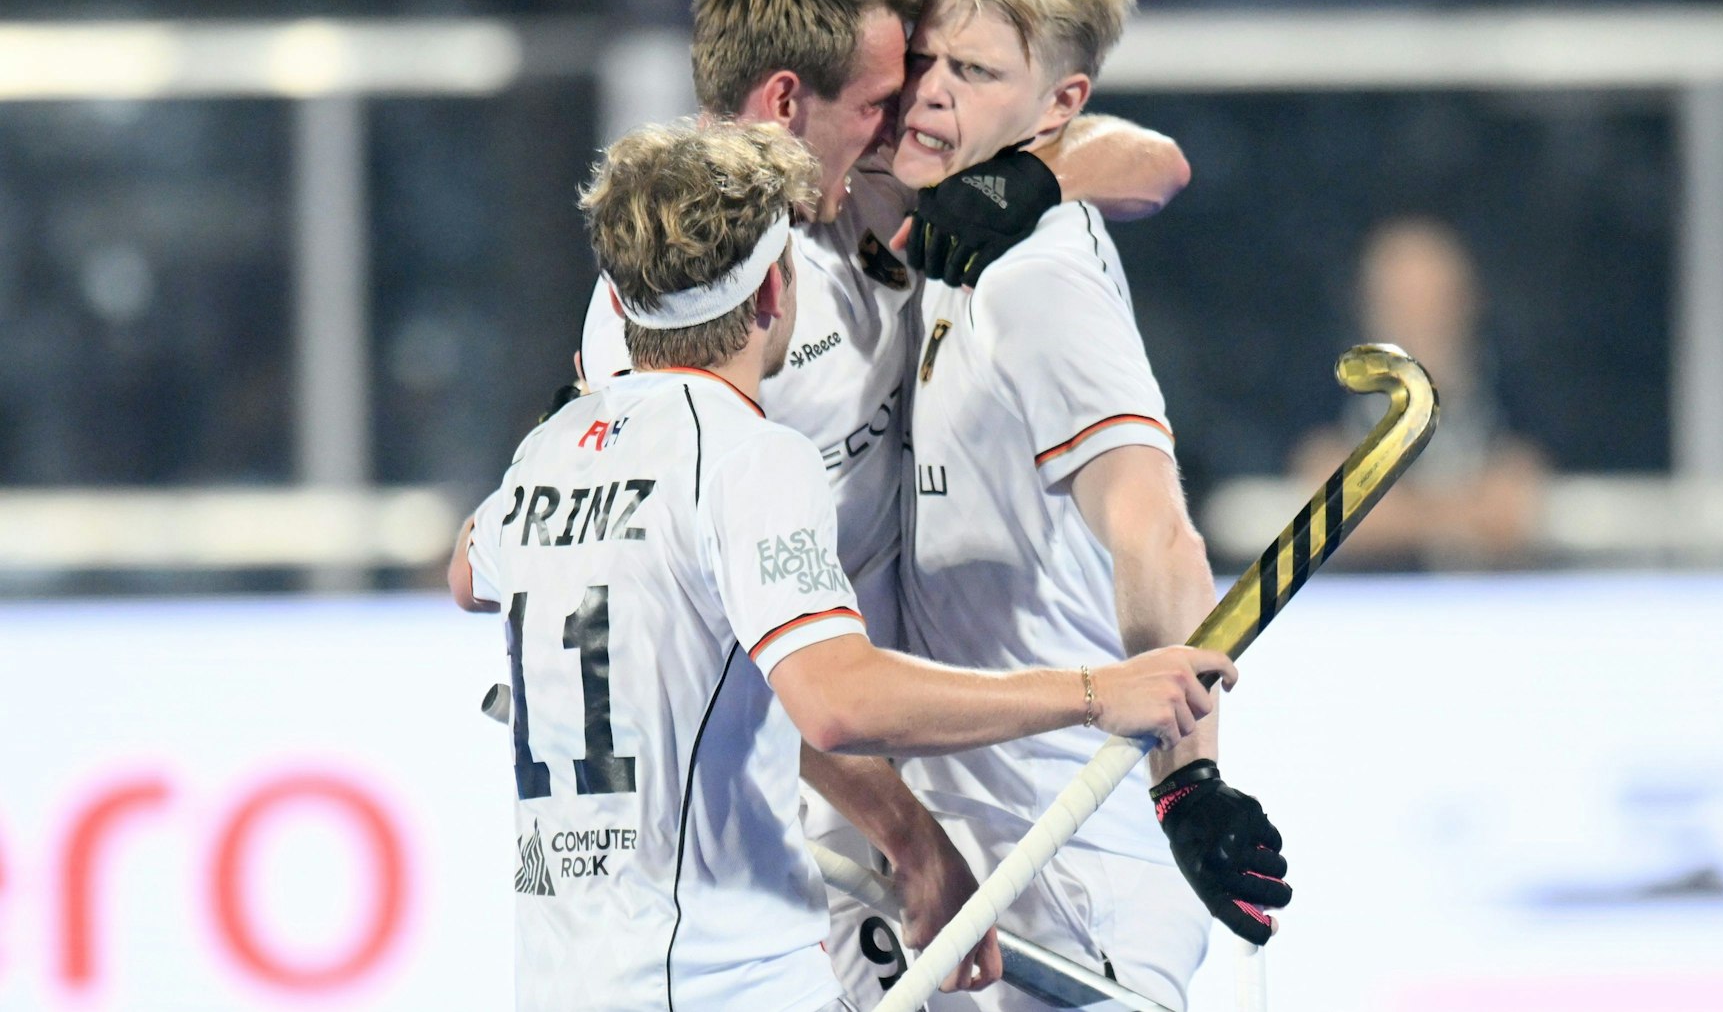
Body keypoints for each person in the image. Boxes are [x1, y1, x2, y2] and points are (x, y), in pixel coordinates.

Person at [452, 121, 1236, 1012]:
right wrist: (1098, 691)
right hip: (720, 986)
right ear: (773, 290)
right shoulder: (750, 457)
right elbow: (837, 702)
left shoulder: (546, 455)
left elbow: (469, 576)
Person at [557, 0, 1194, 1004]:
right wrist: (909, 838)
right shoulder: (682, 319)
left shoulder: (860, 181)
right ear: (784, 106)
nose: (913, 116)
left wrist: (1033, 181)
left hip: (959, 787)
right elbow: (740, 655)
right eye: (883, 99)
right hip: (818, 804)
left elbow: (1152, 159)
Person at [888, 0, 1292, 1010]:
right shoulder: (938, 236)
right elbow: (1144, 159)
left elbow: (1154, 529)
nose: (929, 93)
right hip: (983, 845)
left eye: (972, 72)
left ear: (1055, 104)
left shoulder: (1035, 273)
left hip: (1072, 854)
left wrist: (1188, 781)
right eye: (923, 59)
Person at [1288, 216, 1547, 568]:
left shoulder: (1515, 396)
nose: (1419, 316)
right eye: (1402, 300)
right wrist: (1463, 515)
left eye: (1432, 298)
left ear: (1465, 302)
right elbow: (1341, 513)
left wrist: (1398, 513)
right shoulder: (1320, 397)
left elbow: (1512, 509)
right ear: (1368, 304)